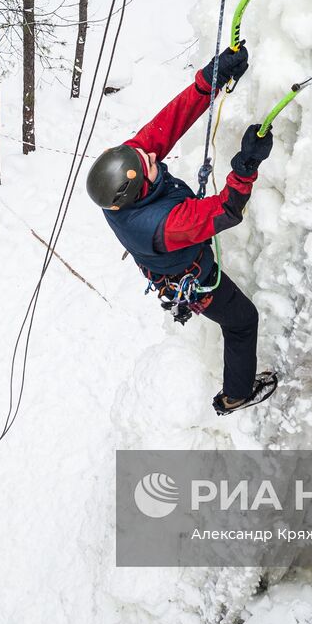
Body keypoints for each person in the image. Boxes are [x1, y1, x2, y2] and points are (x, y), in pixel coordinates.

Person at [86, 44, 279, 415]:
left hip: (172, 254)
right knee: (242, 322)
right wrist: (247, 165)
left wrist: (209, 82)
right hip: (192, 277)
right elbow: (226, 210)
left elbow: (164, 127)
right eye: (147, 162)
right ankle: (236, 395)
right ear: (138, 188)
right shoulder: (164, 225)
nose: (150, 154)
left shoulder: (123, 179)